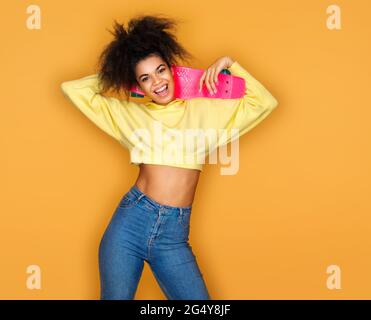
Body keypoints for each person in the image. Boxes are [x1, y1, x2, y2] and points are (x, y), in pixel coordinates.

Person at [60, 14, 278, 300]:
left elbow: (264, 102)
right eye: (145, 78)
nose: (157, 82)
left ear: (172, 68)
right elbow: (72, 89)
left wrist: (227, 63)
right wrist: (120, 76)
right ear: (138, 84)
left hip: (173, 237)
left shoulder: (206, 112)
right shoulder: (131, 114)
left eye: (161, 70)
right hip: (129, 225)